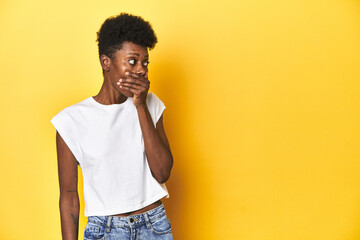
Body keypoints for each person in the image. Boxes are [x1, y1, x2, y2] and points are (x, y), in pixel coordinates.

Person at [50, 13, 174, 240]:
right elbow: (69, 196)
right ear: (106, 62)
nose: (141, 70)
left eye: (145, 63)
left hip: (153, 226)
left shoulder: (151, 104)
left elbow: (163, 172)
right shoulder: (71, 121)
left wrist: (140, 106)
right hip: (105, 231)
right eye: (133, 61)